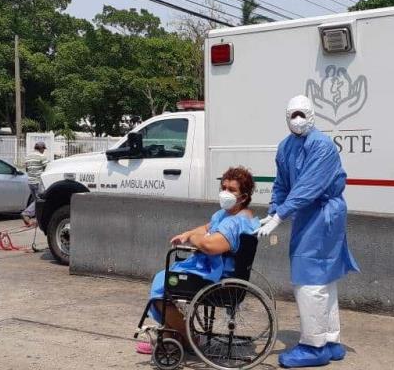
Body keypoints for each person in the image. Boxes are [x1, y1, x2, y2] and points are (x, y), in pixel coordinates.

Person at [256, 95, 360, 368]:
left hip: (323, 214)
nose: (298, 120)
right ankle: (330, 340)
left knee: (311, 280)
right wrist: (272, 209)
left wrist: (279, 216)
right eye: (293, 114)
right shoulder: (285, 147)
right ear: (286, 117)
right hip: (306, 215)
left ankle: (314, 346)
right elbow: (282, 184)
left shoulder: (322, 146)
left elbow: (307, 188)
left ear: (312, 114)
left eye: (303, 113)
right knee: (324, 279)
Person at [137, 166, 259, 354]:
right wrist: (188, 234)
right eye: (223, 187)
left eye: (232, 190)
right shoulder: (227, 215)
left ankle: (186, 338)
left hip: (216, 277)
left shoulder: (237, 222)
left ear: (243, 197)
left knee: (161, 293)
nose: (225, 192)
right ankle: (172, 336)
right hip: (210, 270)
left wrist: (195, 239)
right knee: (163, 279)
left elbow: (210, 246)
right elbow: (207, 228)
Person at [21, 142, 49, 226]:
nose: (44, 150)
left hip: (30, 182)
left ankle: (37, 220)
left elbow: (26, 169)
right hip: (38, 182)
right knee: (40, 201)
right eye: (43, 149)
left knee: (37, 201)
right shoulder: (42, 157)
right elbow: (46, 169)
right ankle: (26, 213)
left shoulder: (28, 157)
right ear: (41, 148)